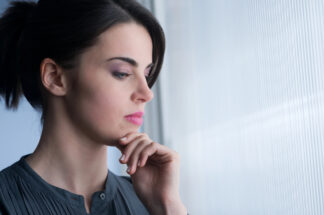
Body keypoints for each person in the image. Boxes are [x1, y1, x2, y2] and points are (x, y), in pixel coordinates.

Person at [0, 0, 188, 214]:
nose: (147, 93)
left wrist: (167, 206)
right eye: (122, 73)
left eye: (146, 75)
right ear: (55, 78)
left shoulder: (151, 200)